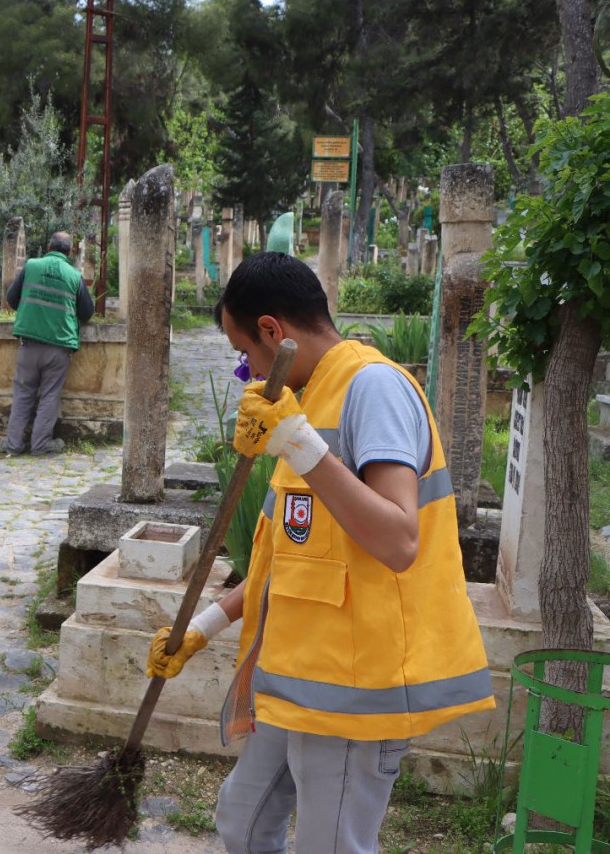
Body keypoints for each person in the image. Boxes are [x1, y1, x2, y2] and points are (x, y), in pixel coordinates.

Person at [146, 251, 493, 853]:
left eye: (245, 353)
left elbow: (398, 540)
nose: (248, 371)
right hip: (301, 679)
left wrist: (299, 443)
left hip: (355, 690)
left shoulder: (372, 388)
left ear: (271, 330)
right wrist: (203, 627)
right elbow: (290, 561)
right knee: (242, 822)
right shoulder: (308, 401)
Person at [0, 231, 95, 456]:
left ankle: (13, 445)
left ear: (48, 247)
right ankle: (41, 445)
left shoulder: (31, 266)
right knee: (50, 395)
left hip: (28, 344)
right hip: (58, 347)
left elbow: (11, 299)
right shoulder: (74, 275)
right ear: (69, 252)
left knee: (22, 394)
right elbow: (87, 312)